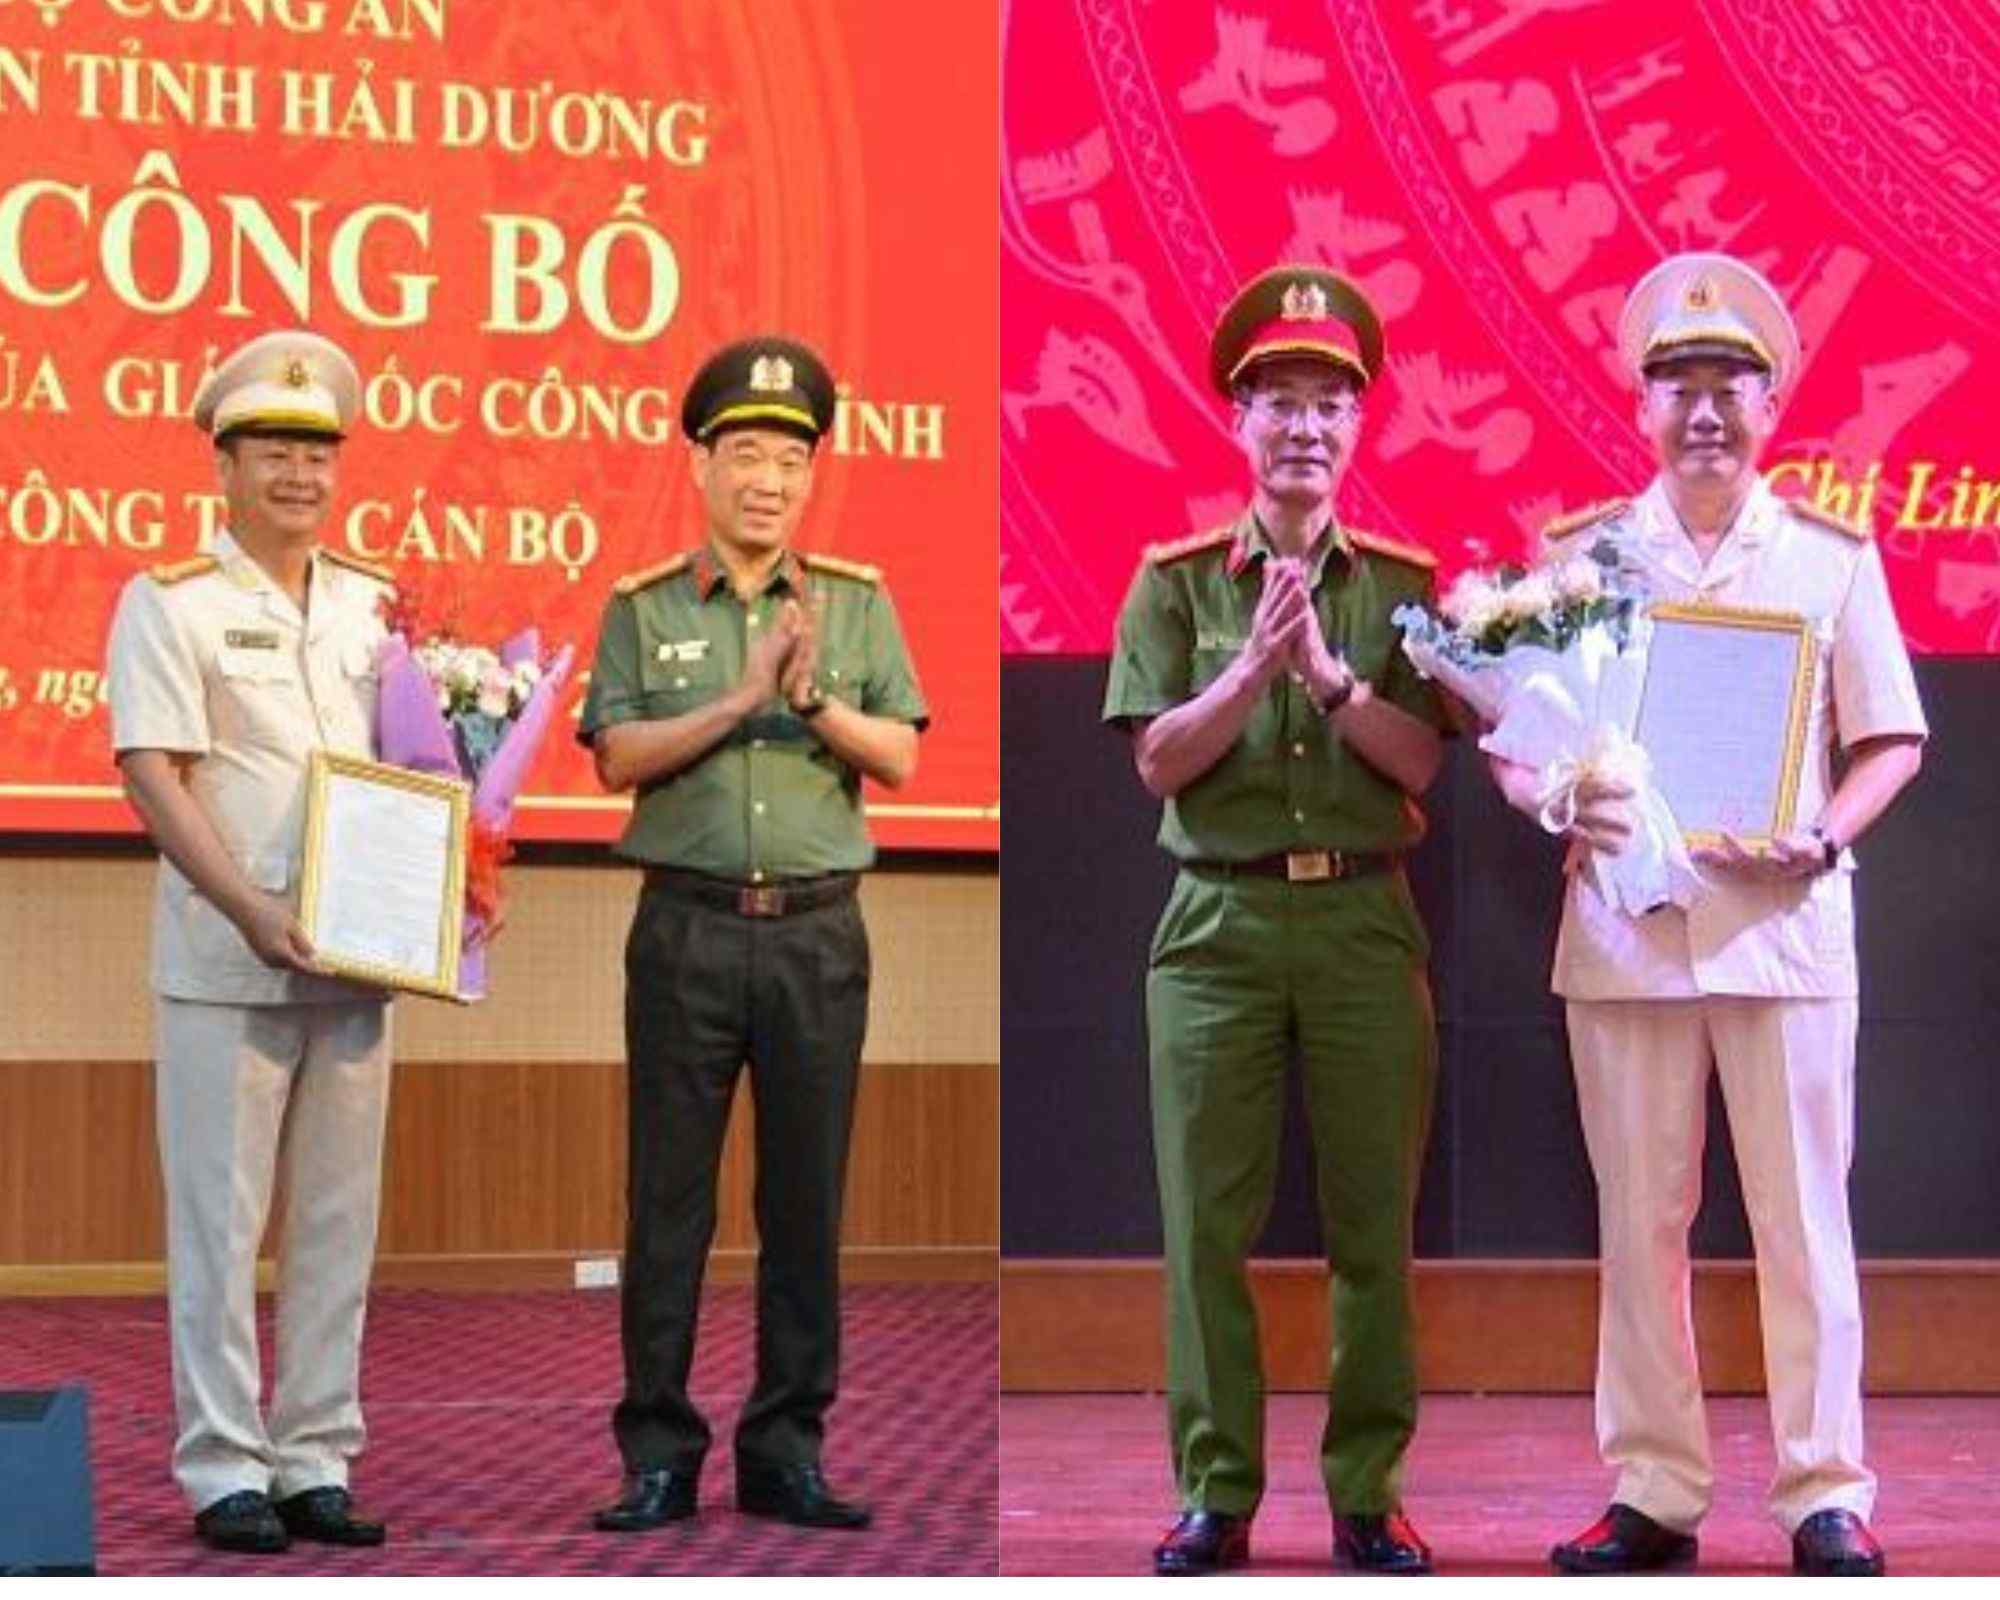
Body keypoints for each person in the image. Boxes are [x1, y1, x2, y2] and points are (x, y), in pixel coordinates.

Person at [1488, 253, 1926, 1577]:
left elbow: (1891, 738)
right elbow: (1516, 740)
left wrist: (1824, 833)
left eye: (1728, 385)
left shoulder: (1827, 561)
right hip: (1626, 939)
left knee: (1803, 1226)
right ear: (1641, 405)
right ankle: (1654, 1488)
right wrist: (1553, 795)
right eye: (1677, 385)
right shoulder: (1581, 561)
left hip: (1781, 936)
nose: (1703, 412)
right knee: (1638, 1226)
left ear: (1769, 403)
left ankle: (1824, 1491)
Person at [1102, 267, 1455, 1576]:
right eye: (1279, 402)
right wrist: (1254, 665)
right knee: (1205, 1227)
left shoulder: (1405, 586)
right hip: (1217, 928)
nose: (1303, 427)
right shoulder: (1177, 583)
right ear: (1238, 420)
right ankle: (1217, 1492)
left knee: (1373, 1225)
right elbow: (1157, 763)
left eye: (1328, 405)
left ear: (1357, 426)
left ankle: (1367, 1491)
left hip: (1363, 922)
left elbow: (1421, 764)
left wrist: (1329, 678)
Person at [581, 336, 928, 1535]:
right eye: (745, 455)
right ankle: (658, 1453)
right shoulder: (642, 607)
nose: (767, 480)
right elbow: (616, 755)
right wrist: (741, 697)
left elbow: (898, 753)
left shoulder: (856, 602)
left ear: (808, 474)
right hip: (684, 929)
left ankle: (786, 1449)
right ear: (701, 465)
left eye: (789, 459)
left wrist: (812, 698)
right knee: (666, 1202)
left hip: (815, 937)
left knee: (804, 1202)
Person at [104, 330, 396, 1554]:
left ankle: (314, 1454)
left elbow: (418, 769)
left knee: (337, 1221)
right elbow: (153, 774)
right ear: (224, 466)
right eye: (273, 450)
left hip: (358, 960)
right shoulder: (171, 601)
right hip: (228, 963)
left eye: (317, 454)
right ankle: (224, 1462)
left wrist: (453, 886)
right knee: (221, 1230)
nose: (298, 474)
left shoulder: (376, 602)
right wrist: (247, 909)